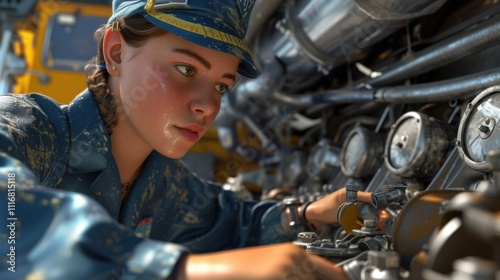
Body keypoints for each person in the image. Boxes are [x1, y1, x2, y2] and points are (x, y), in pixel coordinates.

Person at [0, 0, 374, 279]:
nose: (208, 107)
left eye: (222, 86)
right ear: (116, 53)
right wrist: (179, 269)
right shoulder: (32, 130)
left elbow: (229, 223)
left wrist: (304, 214)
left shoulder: (161, 184)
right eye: (185, 68)